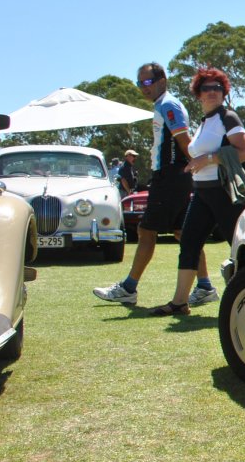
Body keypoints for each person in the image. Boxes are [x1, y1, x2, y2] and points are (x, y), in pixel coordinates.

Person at [93, 63, 218, 307]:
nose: (143, 88)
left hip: (170, 177)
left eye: (147, 82)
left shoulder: (168, 105)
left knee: (146, 231)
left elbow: (184, 140)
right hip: (175, 177)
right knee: (184, 234)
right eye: (139, 84)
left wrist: (197, 164)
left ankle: (129, 288)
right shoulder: (164, 105)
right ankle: (204, 286)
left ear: (162, 81)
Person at [150, 68, 245, 316]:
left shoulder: (228, 117)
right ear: (198, 93)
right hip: (202, 192)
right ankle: (179, 303)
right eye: (206, 88)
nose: (211, 92)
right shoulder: (205, 122)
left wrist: (208, 158)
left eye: (217, 88)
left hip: (224, 192)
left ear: (223, 92)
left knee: (240, 246)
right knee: (189, 243)